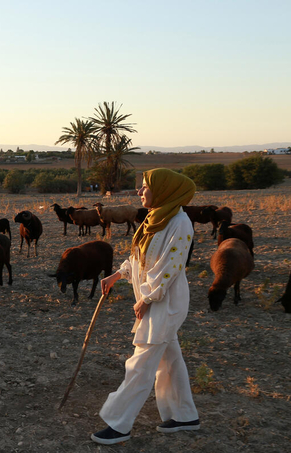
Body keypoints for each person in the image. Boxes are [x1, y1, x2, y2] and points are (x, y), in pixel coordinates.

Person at [90, 168, 200, 445]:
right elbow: (140, 257)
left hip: (165, 302)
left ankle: (119, 423)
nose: (139, 192)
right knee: (170, 359)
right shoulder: (154, 218)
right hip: (154, 300)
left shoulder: (180, 223)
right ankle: (185, 415)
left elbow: (170, 268)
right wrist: (118, 274)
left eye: (144, 187)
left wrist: (146, 299)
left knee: (141, 363)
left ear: (164, 190)